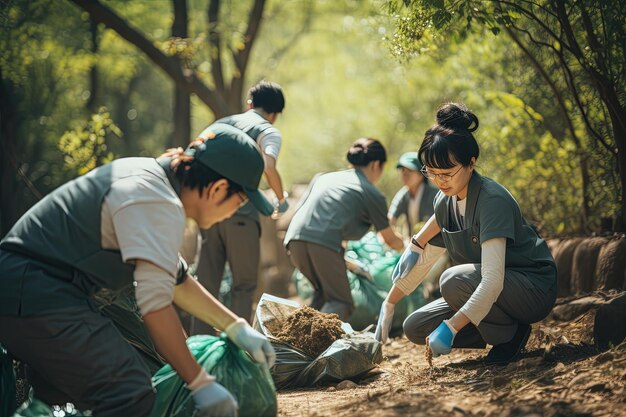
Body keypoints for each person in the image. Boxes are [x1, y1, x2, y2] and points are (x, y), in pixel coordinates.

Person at [0, 123, 276, 417]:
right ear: (218, 188)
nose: (234, 213)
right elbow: (155, 306)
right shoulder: (156, 201)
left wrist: (236, 327)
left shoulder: (151, 180)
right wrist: (199, 382)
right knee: (128, 391)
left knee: (62, 396)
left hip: (31, 290)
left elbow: (176, 280)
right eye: (240, 202)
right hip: (36, 292)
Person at [375, 103, 557, 365]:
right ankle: (490, 326)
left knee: (452, 279)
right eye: (432, 173)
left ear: (471, 163)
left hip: (531, 289)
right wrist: (389, 303)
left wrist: (451, 327)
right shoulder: (444, 201)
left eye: (447, 173)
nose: (440, 181)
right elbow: (425, 259)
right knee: (415, 326)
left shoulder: (491, 200)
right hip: (490, 289)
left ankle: (510, 337)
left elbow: (493, 279)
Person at [194, 80, 288, 329]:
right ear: (275, 113)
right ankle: (236, 354)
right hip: (241, 215)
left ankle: (198, 350)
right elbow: (269, 166)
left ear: (249, 104)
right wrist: (281, 199)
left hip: (207, 213)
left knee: (204, 287)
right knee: (243, 287)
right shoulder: (267, 130)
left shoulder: (221, 124)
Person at [284, 138, 405, 321]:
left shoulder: (324, 177)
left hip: (294, 241)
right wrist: (410, 248)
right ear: (376, 164)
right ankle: (315, 347)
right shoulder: (371, 192)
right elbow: (389, 239)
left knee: (323, 295)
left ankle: (290, 343)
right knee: (341, 302)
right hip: (322, 242)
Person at [388, 151, 439, 236]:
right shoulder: (403, 195)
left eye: (410, 170)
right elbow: (390, 219)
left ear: (421, 174)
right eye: (403, 170)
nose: (405, 174)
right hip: (413, 243)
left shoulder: (434, 195)